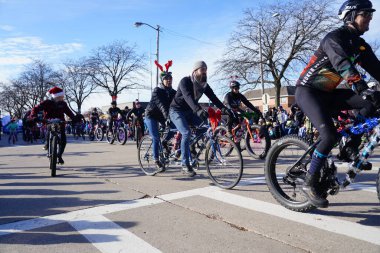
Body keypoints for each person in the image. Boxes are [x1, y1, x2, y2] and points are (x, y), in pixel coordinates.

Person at [295, 0, 380, 208]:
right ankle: (310, 181)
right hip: (308, 92)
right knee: (329, 135)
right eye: (365, 14)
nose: (370, 18)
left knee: (373, 104)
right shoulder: (333, 39)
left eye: (371, 14)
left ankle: (349, 147)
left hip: (330, 93)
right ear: (351, 16)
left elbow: (377, 69)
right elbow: (343, 65)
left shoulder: (360, 46)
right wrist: (361, 87)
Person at [169, 61, 235, 177]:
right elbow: (188, 97)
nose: (204, 71)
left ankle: (191, 146)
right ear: (195, 71)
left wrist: (225, 110)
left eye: (206, 69)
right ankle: (184, 164)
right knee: (186, 132)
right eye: (202, 69)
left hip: (190, 111)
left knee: (205, 129)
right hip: (177, 110)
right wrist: (198, 110)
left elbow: (214, 98)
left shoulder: (204, 85)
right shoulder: (185, 81)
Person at [29, 86, 78, 164]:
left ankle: (59, 155)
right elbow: (35, 109)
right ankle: (47, 143)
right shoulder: (46, 102)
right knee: (49, 132)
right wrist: (33, 116)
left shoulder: (63, 104)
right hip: (49, 121)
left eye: (62, 96)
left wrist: (75, 118)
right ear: (55, 96)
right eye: (60, 97)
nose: (62, 98)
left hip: (60, 122)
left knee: (63, 140)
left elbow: (69, 112)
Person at [144, 60, 177, 172]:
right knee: (156, 137)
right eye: (166, 79)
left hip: (163, 116)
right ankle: (156, 159)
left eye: (170, 78)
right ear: (162, 81)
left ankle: (164, 141)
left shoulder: (173, 92)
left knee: (174, 129)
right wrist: (167, 117)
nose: (169, 80)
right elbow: (162, 105)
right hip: (151, 115)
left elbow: (180, 103)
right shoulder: (157, 91)